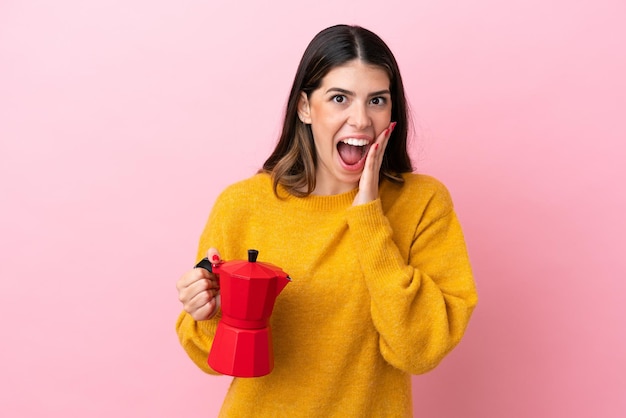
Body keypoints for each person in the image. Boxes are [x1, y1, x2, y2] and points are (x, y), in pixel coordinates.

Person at [175, 24, 478, 417]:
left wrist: (369, 217)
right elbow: (211, 359)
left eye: (377, 100)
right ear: (305, 107)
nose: (360, 120)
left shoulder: (422, 204)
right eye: (340, 98)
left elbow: (417, 351)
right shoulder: (243, 205)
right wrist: (208, 311)